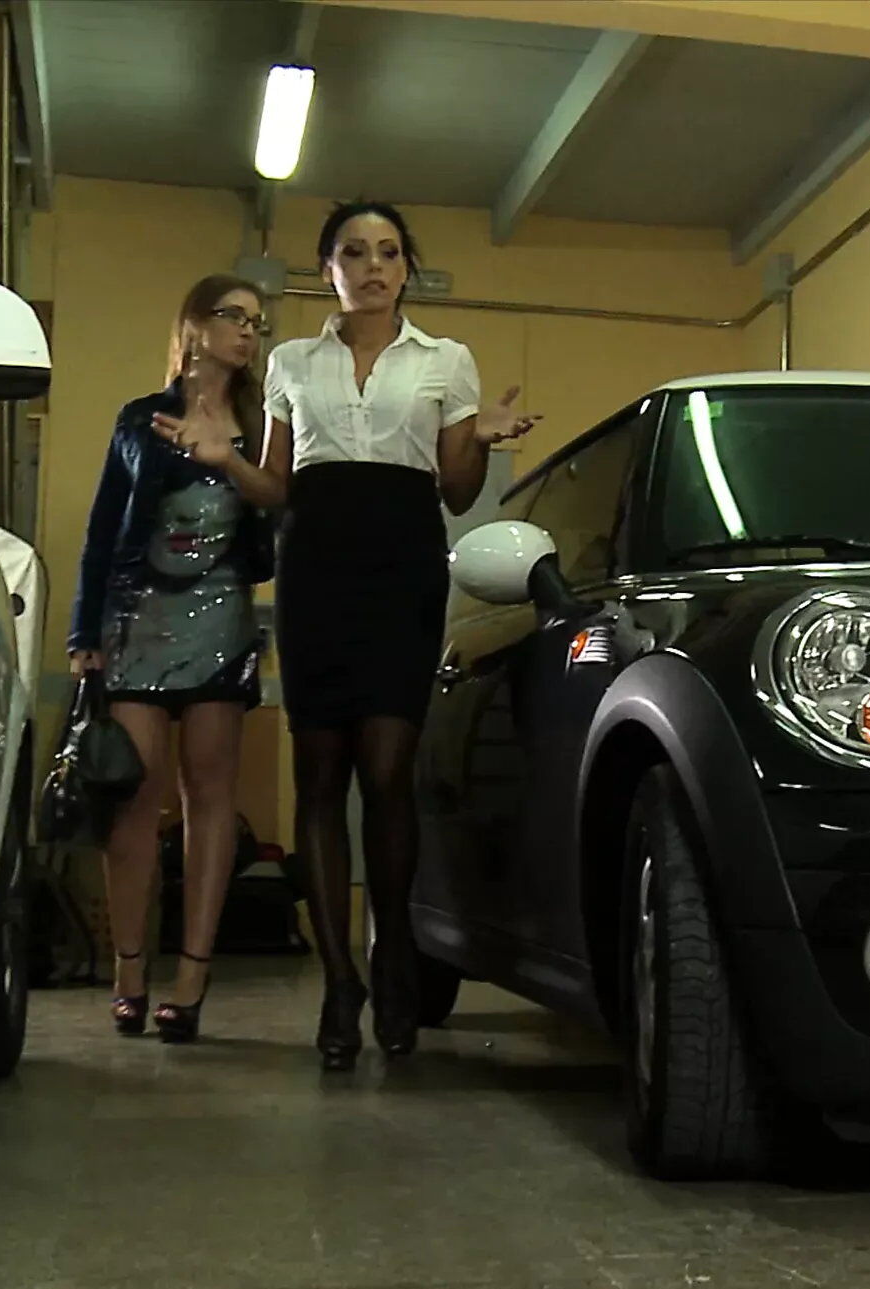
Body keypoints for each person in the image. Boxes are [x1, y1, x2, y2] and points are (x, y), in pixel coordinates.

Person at [252, 199, 536, 1069]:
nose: (372, 266)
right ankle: (340, 983)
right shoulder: (291, 361)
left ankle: (395, 955)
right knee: (319, 774)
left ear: (406, 267)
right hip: (315, 567)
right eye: (353, 252)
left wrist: (481, 439)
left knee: (386, 771)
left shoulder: (446, 359)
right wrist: (222, 459)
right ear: (327, 268)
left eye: (386, 252)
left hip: (403, 564)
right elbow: (276, 484)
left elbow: (457, 490)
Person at [68, 274, 282, 1045]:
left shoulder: (262, 422)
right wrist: (84, 632)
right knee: (132, 794)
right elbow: (102, 529)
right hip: (136, 618)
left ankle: (192, 977)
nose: (248, 331)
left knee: (210, 797)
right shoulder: (139, 419)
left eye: (257, 321)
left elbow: (277, 499)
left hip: (222, 617)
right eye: (233, 316)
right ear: (192, 326)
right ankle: (129, 969)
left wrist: (227, 459)